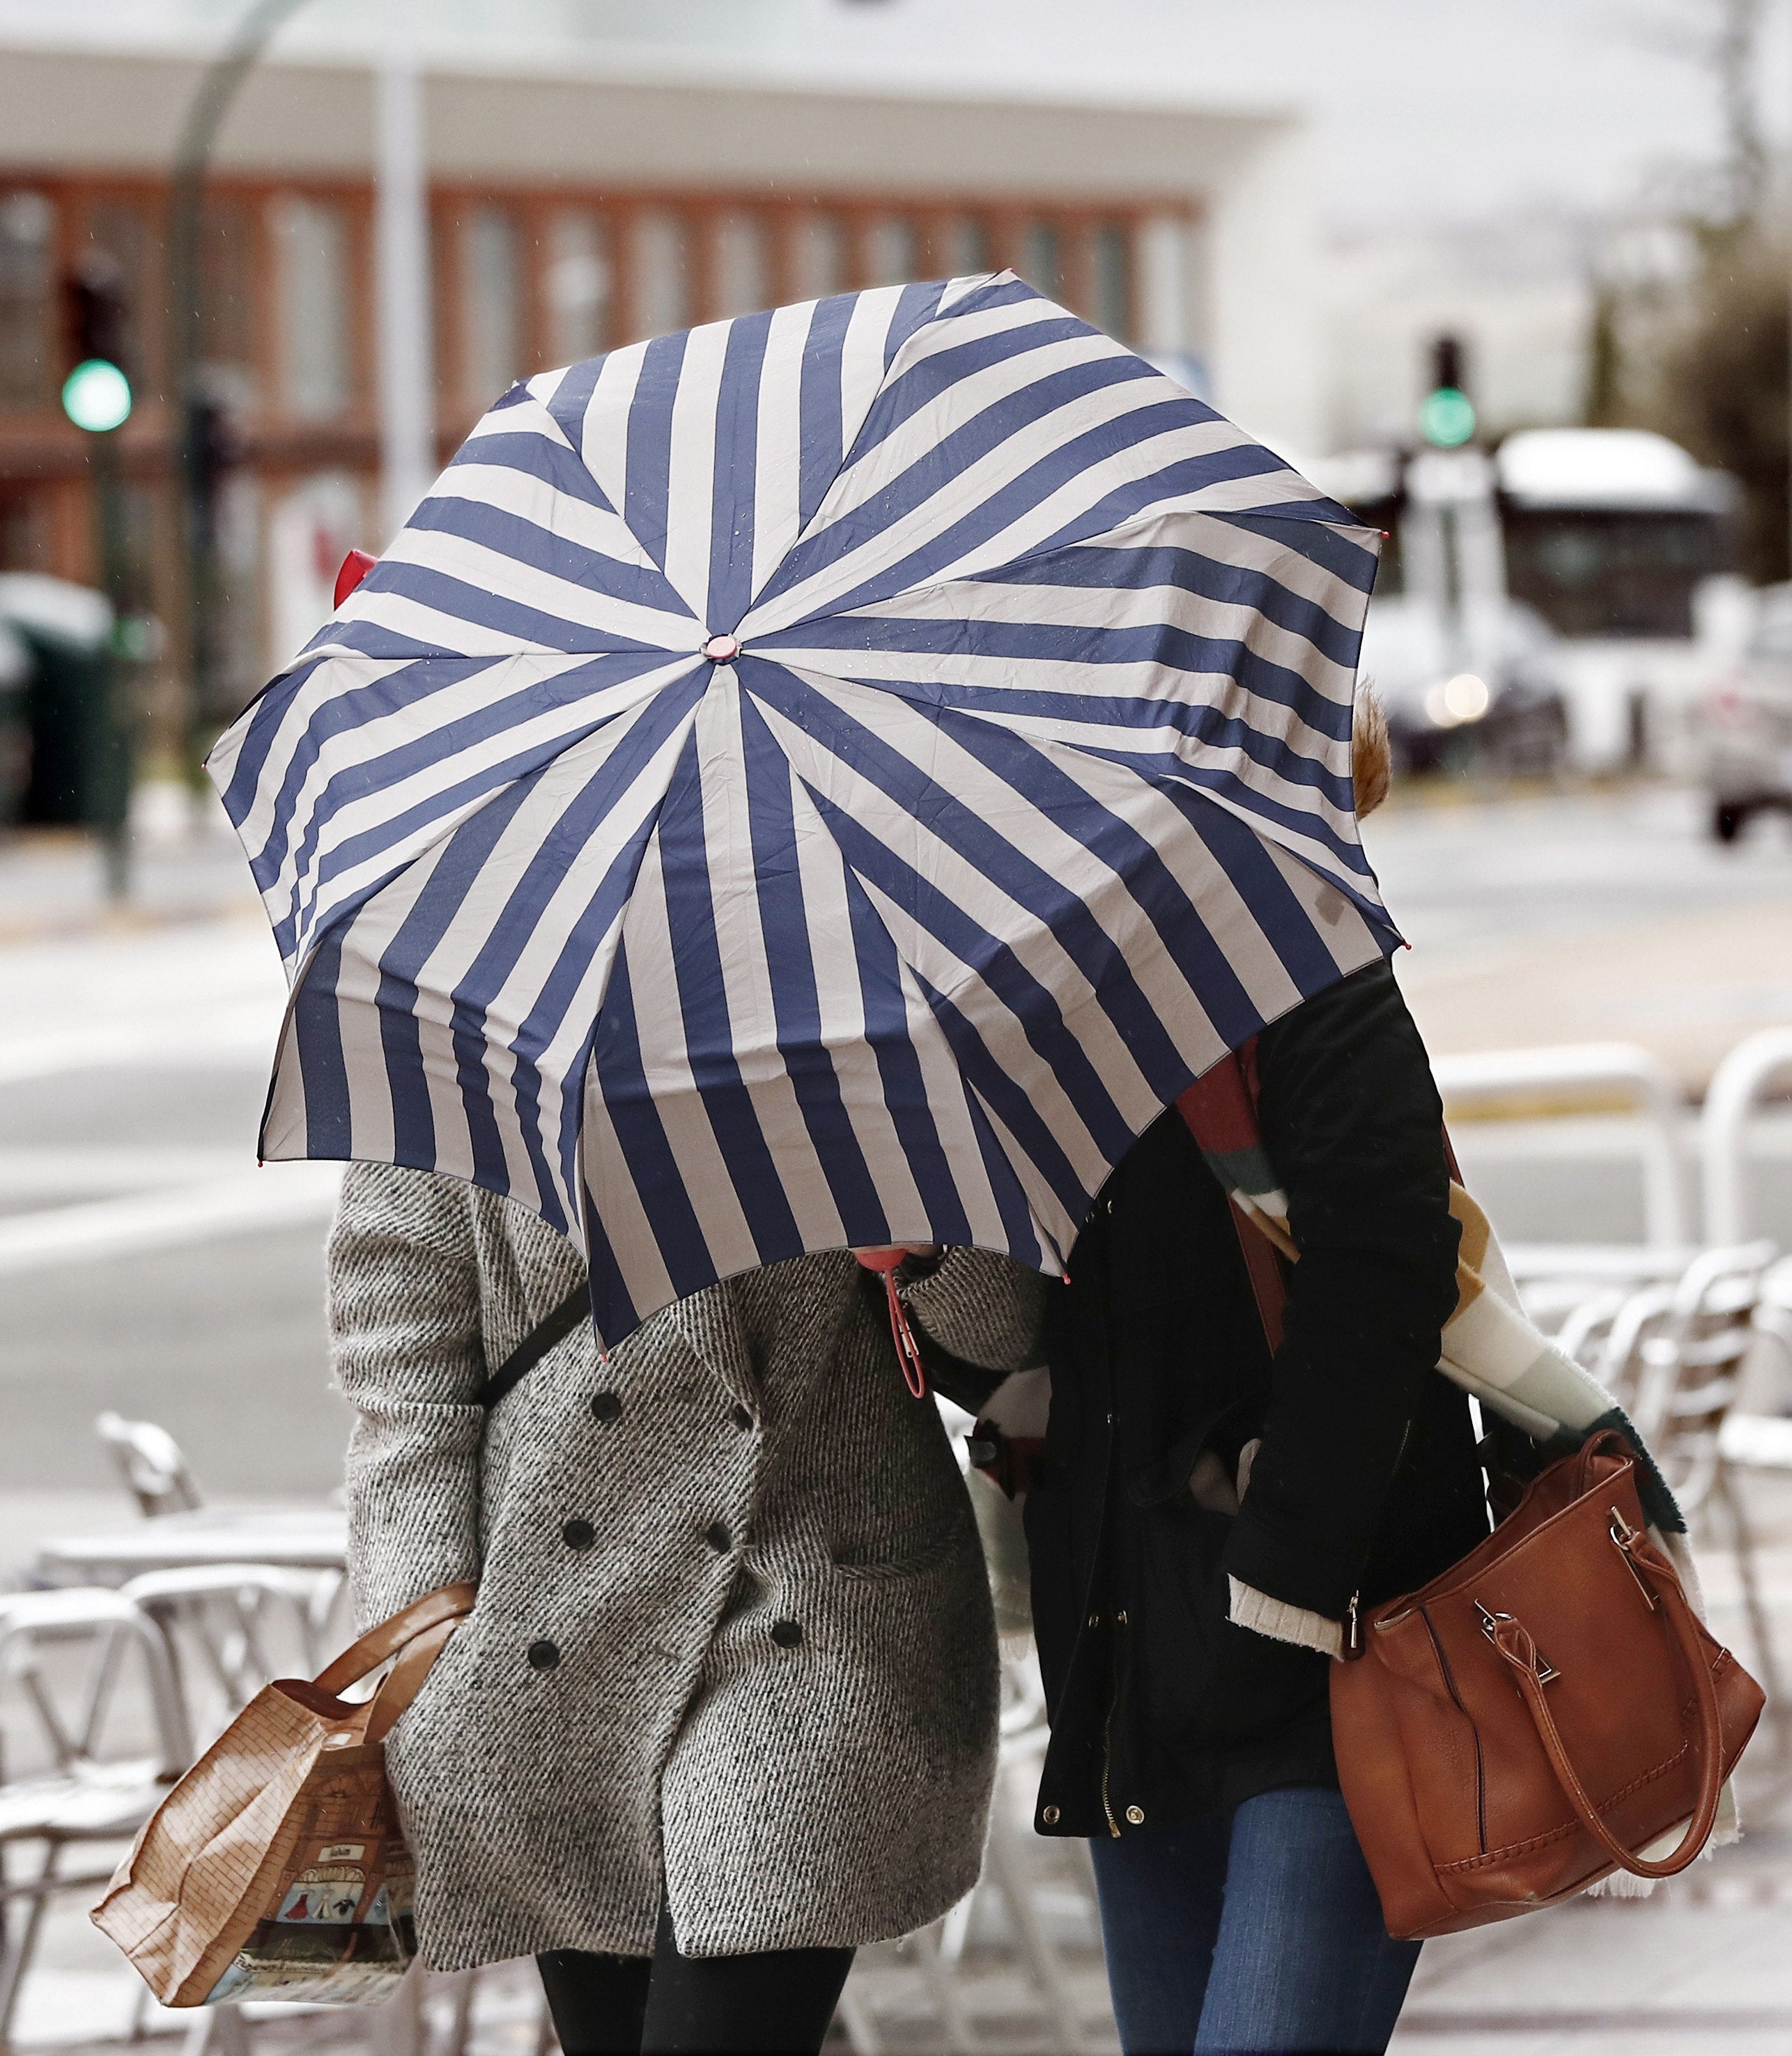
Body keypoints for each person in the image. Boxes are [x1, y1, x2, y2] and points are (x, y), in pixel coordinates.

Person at [328, 1169, 1045, 2056]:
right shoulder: (461, 1040)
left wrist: (916, 1248)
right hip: (552, 1634)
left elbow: (1010, 1335)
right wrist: (430, 1647)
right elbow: (408, 1386)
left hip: (809, 1603)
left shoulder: (839, 1040)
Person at [1021, 697, 1488, 2055]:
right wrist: (920, 1267)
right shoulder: (1036, 1004)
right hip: (1126, 1657)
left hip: (1320, 1654)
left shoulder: (1302, 963)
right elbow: (1012, 1353)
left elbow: (1388, 1256)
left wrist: (1287, 1575)